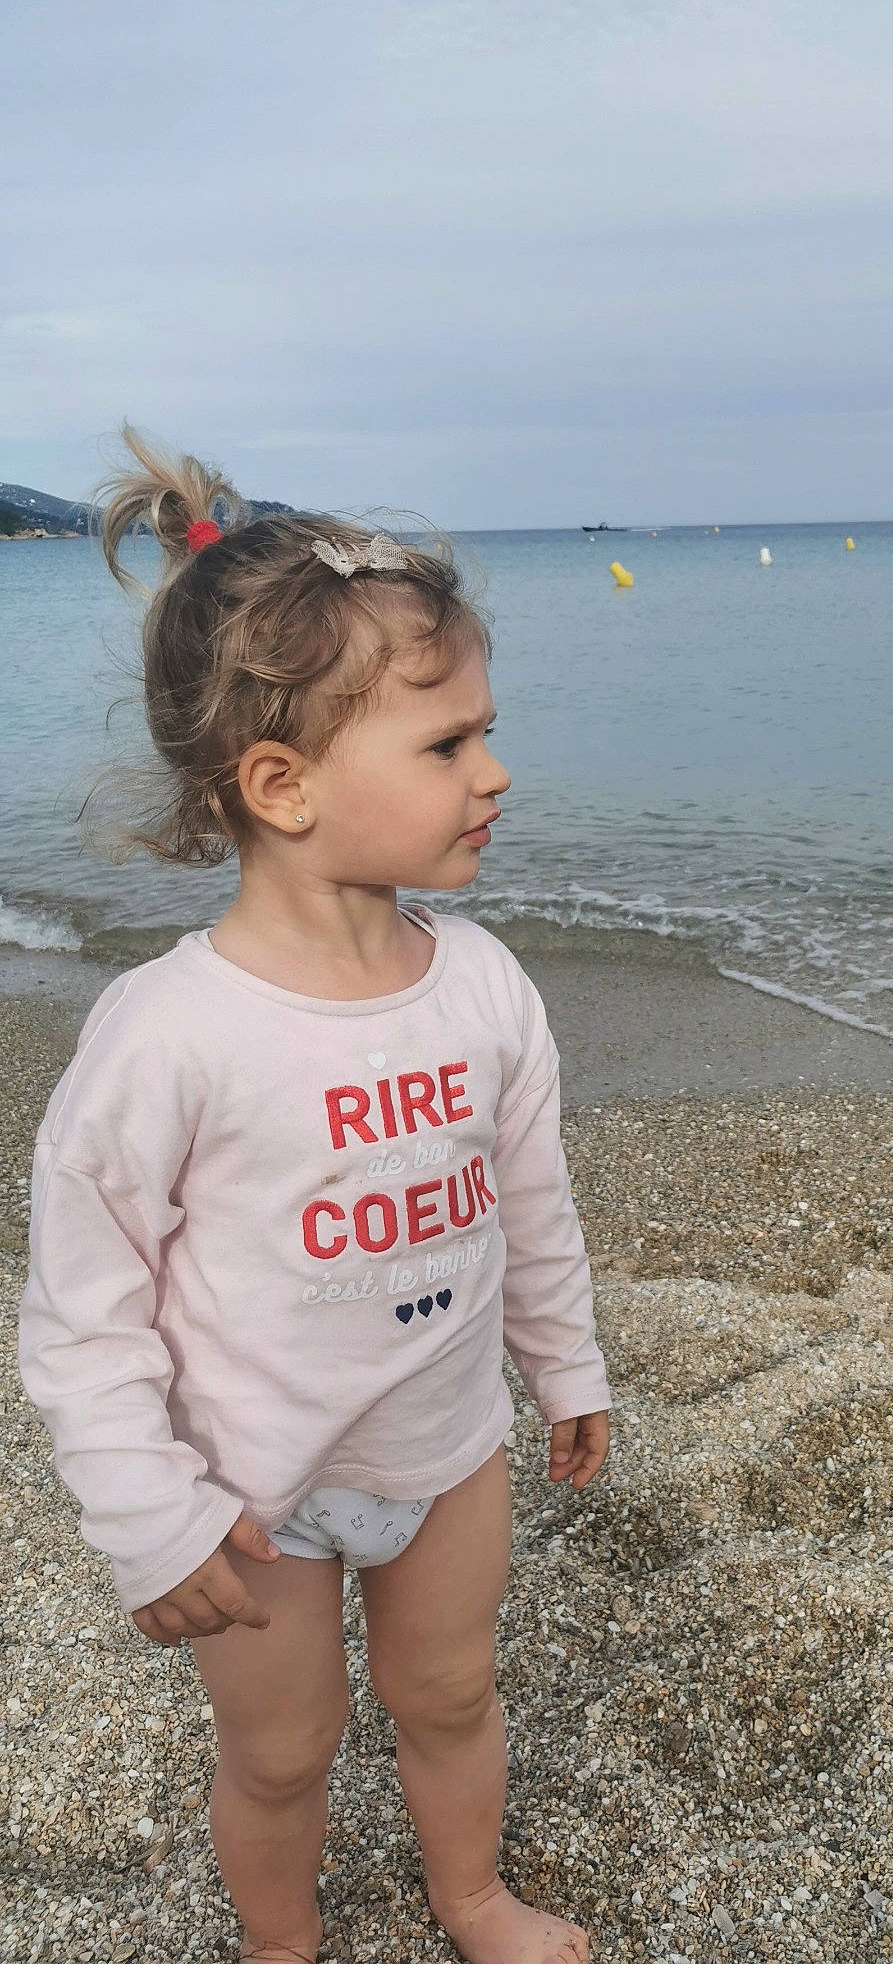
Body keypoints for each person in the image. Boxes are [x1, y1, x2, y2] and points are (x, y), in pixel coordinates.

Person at [18, 427, 610, 1964]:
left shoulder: (483, 988)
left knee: (451, 1695)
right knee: (282, 1751)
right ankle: (281, 1945)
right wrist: (147, 1516)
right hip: (250, 1493)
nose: (494, 774)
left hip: (446, 1451)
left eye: (486, 734)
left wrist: (568, 1365)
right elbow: (84, 1309)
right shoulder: (172, 1034)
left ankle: (469, 1896)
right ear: (280, 786)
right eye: (445, 746)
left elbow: (529, 1204)